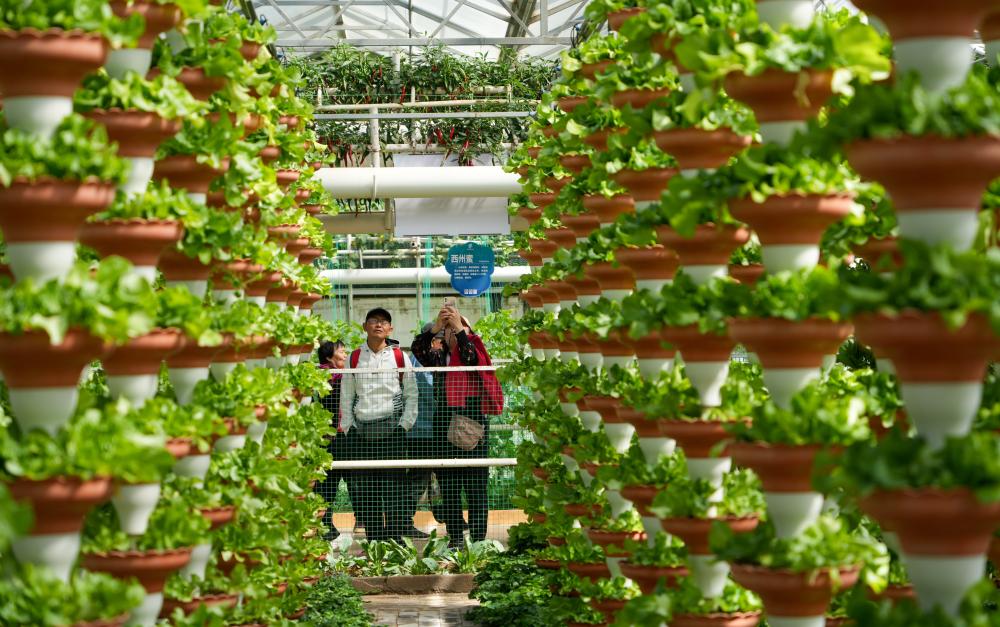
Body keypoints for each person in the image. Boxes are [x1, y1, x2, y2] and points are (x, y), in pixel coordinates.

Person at [411, 303, 503, 547]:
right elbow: (418, 349)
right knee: (449, 485)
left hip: (472, 420)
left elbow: (470, 355)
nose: (452, 330)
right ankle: (455, 539)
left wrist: (460, 329)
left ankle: (479, 540)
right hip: (444, 421)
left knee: (476, 485)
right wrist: (436, 327)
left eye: (458, 327)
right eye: (449, 329)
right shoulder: (438, 355)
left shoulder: (474, 348)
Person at [341, 308, 418, 543]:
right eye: (373, 321)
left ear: (390, 329)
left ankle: (394, 541)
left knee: (395, 490)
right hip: (361, 435)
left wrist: (404, 426)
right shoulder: (354, 357)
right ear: (365, 326)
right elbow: (346, 395)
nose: (378, 325)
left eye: (384, 322)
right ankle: (374, 542)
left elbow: (411, 394)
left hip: (393, 433)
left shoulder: (400, 357)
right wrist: (349, 428)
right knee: (367, 492)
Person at [314, 340, 354, 541]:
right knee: (328, 482)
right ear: (329, 357)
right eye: (341, 351)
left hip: (341, 435)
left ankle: (328, 525)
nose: (345, 354)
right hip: (330, 437)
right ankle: (325, 525)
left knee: (343, 481)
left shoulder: (342, 376)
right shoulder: (326, 377)